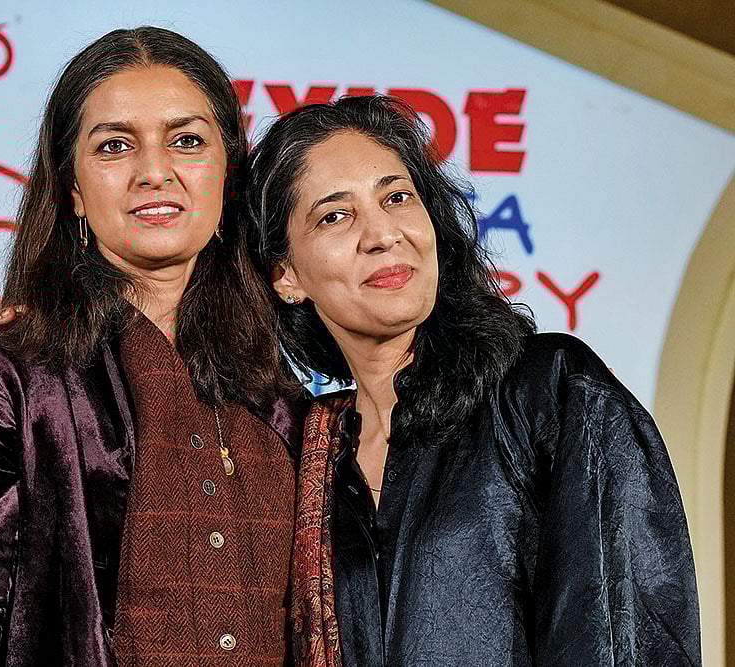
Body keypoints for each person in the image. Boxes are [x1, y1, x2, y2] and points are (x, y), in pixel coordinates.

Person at [244, 95, 701, 665]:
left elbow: (623, 634)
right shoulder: (308, 458)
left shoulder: (550, 391)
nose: (383, 234)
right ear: (286, 276)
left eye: (397, 197)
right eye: (335, 216)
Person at [0, 27, 302, 666]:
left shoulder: (278, 398)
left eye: (188, 141)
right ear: (74, 189)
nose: (154, 172)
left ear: (228, 176)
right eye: (115, 146)